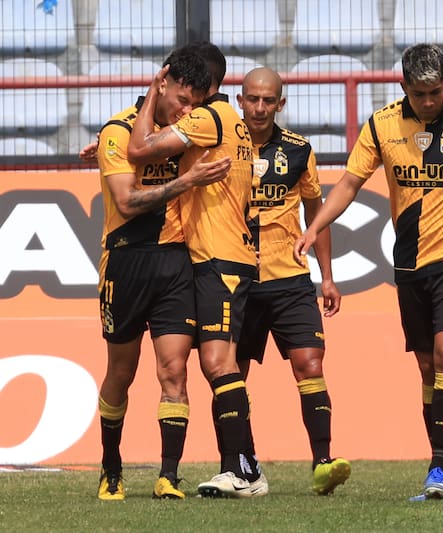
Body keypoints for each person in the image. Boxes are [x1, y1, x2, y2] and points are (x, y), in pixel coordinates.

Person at [295, 43, 443, 501]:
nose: (427, 101)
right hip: (410, 265)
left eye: (434, 92)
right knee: (429, 367)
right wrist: (315, 226)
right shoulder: (382, 124)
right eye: (418, 93)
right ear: (403, 86)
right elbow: (350, 183)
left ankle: (436, 468)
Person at [127, 42, 267, 498]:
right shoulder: (232, 121)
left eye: (188, 92)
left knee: (218, 361)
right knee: (219, 362)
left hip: (220, 257)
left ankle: (244, 470)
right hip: (224, 255)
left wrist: (151, 93)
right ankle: (244, 467)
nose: (183, 103)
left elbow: (140, 149)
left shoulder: (208, 118)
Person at [93, 47, 232, 500]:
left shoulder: (184, 133)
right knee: (121, 372)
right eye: (182, 100)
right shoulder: (116, 131)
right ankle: (111, 467)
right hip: (126, 261)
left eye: (195, 103)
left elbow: (240, 134)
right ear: (162, 83)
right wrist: (183, 183)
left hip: (175, 261)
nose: (188, 111)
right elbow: (128, 203)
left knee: (174, 371)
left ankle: (168, 475)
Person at [234, 67, 351, 495]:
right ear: (239, 100)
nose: (260, 108)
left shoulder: (299, 150)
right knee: (230, 375)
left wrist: (328, 278)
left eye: (269, 101)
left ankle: (322, 462)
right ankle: (243, 466)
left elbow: (315, 216)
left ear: (280, 103)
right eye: (253, 99)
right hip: (237, 278)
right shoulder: (221, 148)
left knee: (311, 364)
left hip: (289, 279)